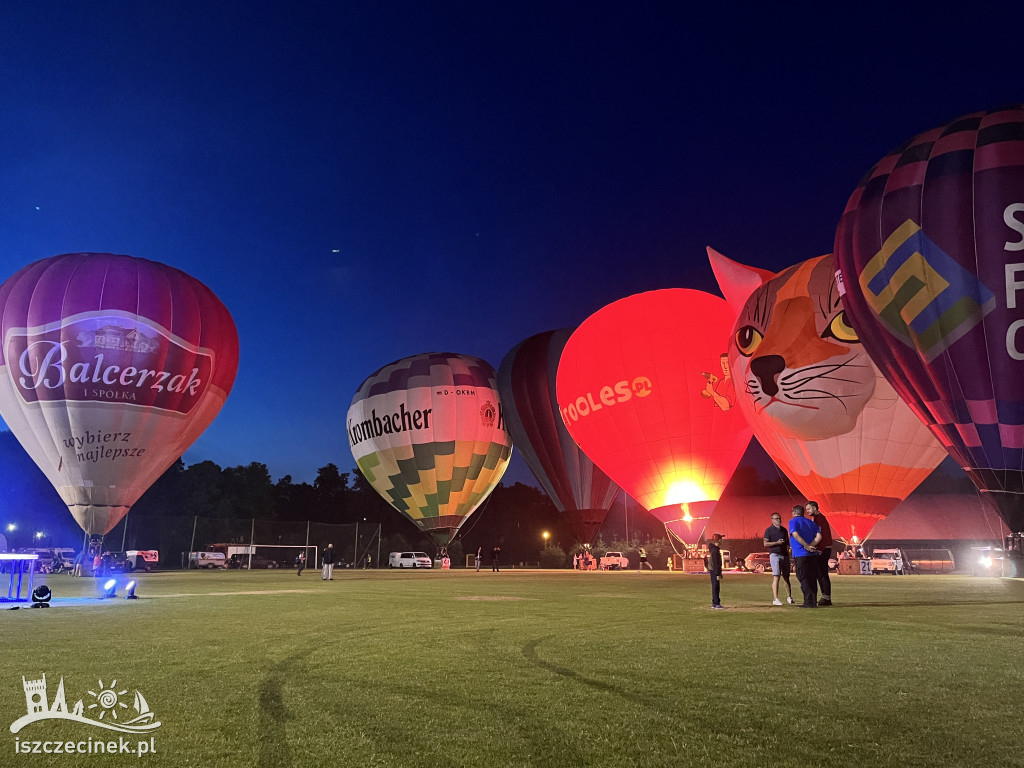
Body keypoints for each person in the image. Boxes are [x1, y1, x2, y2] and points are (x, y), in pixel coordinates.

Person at [788, 505, 822, 608]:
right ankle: (813, 601)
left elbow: (795, 534)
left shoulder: (793, 522)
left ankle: (808, 602)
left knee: (803, 577)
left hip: (800, 554)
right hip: (813, 554)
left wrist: (806, 546)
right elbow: (819, 536)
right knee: (812, 578)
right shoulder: (812, 523)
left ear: (794, 512)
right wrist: (811, 545)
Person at [763, 512, 795, 606]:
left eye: (779, 518)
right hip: (775, 555)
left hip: (784, 555)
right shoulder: (769, 531)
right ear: (772, 520)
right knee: (776, 576)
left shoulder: (784, 530)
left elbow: (788, 543)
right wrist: (776, 543)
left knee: (786, 577)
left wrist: (789, 549)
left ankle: (789, 597)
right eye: (776, 519)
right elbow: (765, 544)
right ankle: (775, 598)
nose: (779, 520)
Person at [805, 501, 833, 606]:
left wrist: (820, 549)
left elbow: (823, 535)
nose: (807, 511)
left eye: (809, 509)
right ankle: (825, 597)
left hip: (824, 549)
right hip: (823, 548)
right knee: (820, 573)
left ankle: (826, 598)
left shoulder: (820, 519)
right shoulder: (817, 519)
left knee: (822, 573)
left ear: (815, 508)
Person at [707, 533, 725, 609]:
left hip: (713, 570)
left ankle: (715, 602)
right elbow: (715, 562)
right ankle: (716, 603)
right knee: (716, 587)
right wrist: (717, 573)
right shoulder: (715, 550)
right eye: (721, 539)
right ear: (718, 540)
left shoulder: (714, 549)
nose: (722, 541)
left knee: (715, 586)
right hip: (714, 571)